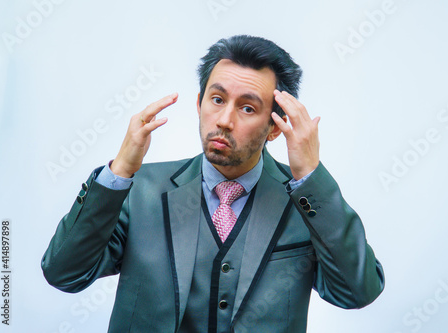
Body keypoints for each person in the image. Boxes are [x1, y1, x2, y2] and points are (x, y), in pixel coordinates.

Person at [42, 35, 384, 333]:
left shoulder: (308, 203)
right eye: (217, 99)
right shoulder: (140, 191)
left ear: (276, 126)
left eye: (248, 108)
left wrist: (311, 175)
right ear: (199, 103)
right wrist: (119, 174)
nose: (224, 120)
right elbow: (64, 273)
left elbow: (356, 292)